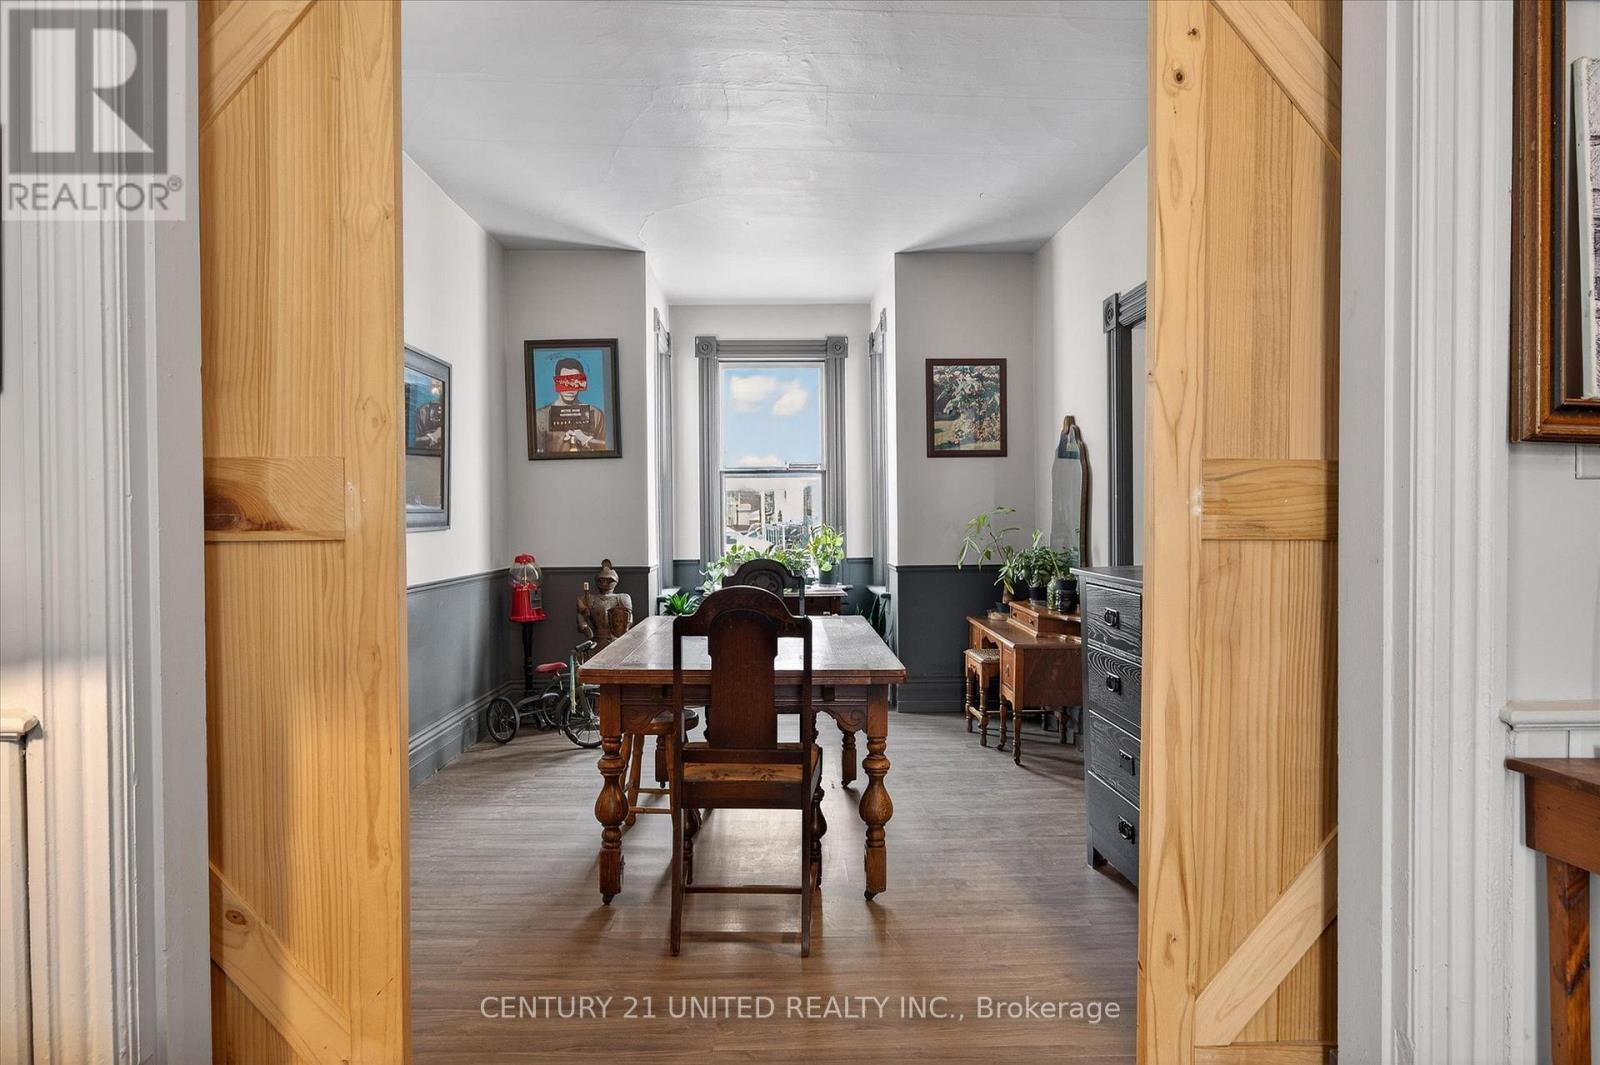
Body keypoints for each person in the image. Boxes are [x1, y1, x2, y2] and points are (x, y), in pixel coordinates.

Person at [534, 356, 608, 453]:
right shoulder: (540, 417)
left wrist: (587, 440)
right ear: (556, 382)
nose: (570, 389)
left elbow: (608, 448)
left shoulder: (596, 414)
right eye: (564, 382)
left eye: (575, 381)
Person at [576, 559, 633, 650]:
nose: (605, 583)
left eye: (609, 580)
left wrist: (626, 627)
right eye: (602, 580)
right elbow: (581, 617)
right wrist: (585, 626)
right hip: (597, 639)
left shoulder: (622, 598)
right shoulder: (590, 598)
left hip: (617, 640)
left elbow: (628, 618)